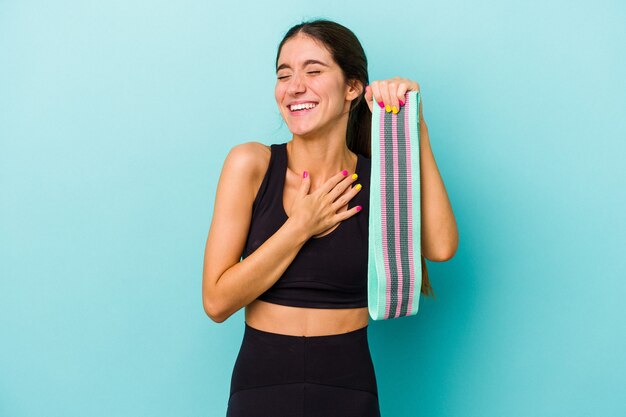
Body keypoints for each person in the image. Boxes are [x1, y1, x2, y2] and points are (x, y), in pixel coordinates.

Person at [202, 19, 458, 417]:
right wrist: (300, 227)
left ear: (352, 88)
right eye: (284, 74)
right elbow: (216, 302)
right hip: (261, 387)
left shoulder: (381, 179)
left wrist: (415, 125)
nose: (294, 86)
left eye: (314, 71)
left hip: (349, 388)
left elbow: (440, 248)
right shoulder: (250, 164)